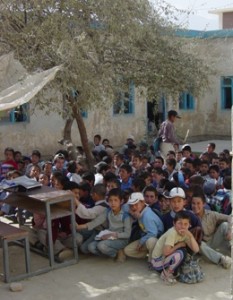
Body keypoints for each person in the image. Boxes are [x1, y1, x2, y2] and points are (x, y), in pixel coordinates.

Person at [150, 211, 199, 284]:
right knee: (181, 252)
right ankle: (166, 273)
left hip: (165, 259)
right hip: (157, 261)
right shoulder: (172, 232)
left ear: (189, 225)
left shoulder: (185, 234)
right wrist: (179, 245)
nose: (182, 226)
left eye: (186, 224)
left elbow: (196, 249)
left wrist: (190, 235)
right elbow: (165, 252)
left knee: (183, 252)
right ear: (174, 223)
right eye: (180, 223)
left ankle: (173, 271)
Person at [87, 188, 132, 261]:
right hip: (109, 237)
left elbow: (127, 234)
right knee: (91, 247)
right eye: (110, 200)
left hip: (121, 239)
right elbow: (96, 221)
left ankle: (118, 252)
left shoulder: (125, 215)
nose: (113, 203)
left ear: (121, 201)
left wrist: (112, 235)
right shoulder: (108, 211)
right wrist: (80, 226)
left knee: (101, 245)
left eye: (115, 200)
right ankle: (112, 253)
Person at [191, 191, 231, 269]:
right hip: (199, 247)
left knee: (225, 225)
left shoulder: (211, 214)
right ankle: (221, 259)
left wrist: (230, 230)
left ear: (204, 204)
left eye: (198, 203)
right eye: (193, 203)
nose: (195, 206)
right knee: (199, 243)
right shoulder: (189, 216)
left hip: (212, 242)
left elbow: (230, 217)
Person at [124, 192, 164, 261]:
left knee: (151, 241)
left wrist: (141, 242)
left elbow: (153, 233)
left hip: (156, 239)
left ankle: (154, 259)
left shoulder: (147, 216)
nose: (133, 207)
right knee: (128, 250)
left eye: (136, 204)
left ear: (142, 203)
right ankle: (147, 253)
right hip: (146, 237)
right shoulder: (140, 212)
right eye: (131, 205)